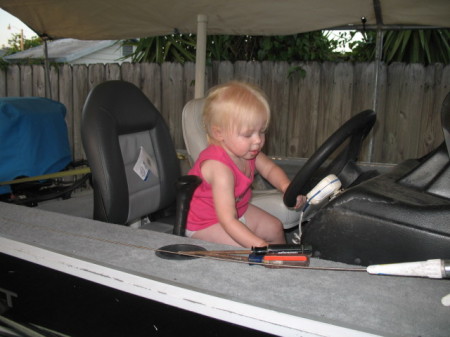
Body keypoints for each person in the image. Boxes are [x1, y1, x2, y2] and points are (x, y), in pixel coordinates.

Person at [186, 81, 306, 248]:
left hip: (238, 209)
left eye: (261, 131)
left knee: (275, 227)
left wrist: (287, 186)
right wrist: (259, 245)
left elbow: (270, 169)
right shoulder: (219, 168)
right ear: (218, 132)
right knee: (245, 250)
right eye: (248, 134)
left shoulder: (248, 152)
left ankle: (279, 265)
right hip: (205, 224)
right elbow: (227, 220)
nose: (257, 140)